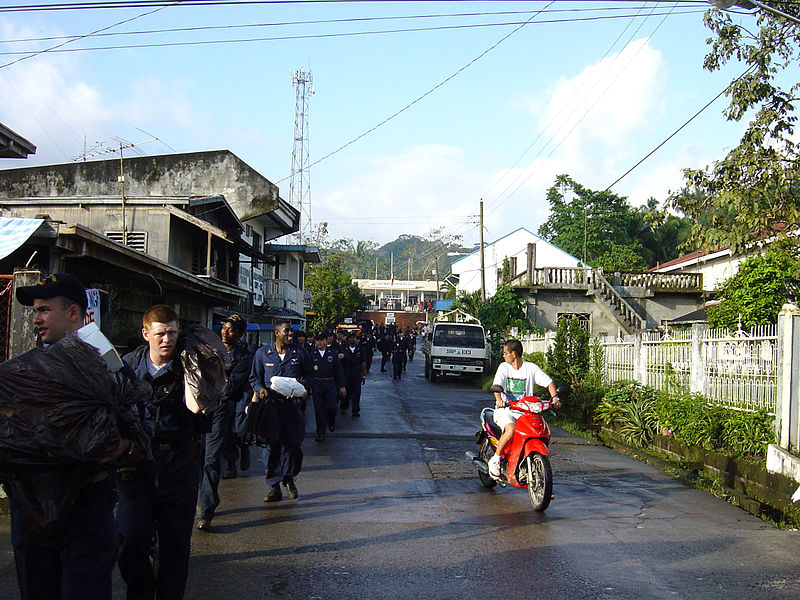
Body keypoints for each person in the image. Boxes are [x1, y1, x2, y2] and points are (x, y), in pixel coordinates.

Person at [10, 273, 133, 600]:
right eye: (35, 310)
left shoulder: (107, 365)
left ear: (74, 313)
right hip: (33, 511)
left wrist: (112, 446)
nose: (36, 318)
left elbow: (134, 429)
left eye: (44, 310)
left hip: (84, 509)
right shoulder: (23, 371)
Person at [118, 304, 205, 600]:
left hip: (178, 462)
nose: (167, 339)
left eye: (172, 332)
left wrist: (202, 389)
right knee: (130, 538)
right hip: (136, 463)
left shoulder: (190, 366)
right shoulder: (127, 367)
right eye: (160, 334)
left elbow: (205, 418)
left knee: (175, 544)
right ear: (146, 334)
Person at [197, 314, 253, 531]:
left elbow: (230, 388)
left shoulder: (243, 356)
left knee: (211, 459)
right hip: (202, 405)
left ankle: (206, 510)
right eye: (224, 328)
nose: (224, 332)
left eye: (230, 330)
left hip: (224, 406)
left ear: (239, 334)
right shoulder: (209, 350)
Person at [249, 320, 307, 502]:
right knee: (270, 446)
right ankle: (273, 486)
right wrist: (260, 389)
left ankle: (289, 478)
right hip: (270, 408)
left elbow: (309, 376)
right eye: (287, 332)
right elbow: (254, 378)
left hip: (291, 406)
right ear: (277, 333)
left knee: (294, 443)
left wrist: (306, 388)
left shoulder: (299, 353)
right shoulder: (262, 354)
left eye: (291, 332)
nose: (290, 335)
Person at [488, 339, 560, 480]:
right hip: (505, 410)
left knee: (540, 430)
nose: (504, 356)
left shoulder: (531, 368)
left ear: (514, 354)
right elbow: (496, 386)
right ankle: (496, 459)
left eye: (505, 353)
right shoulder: (504, 367)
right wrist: (499, 399)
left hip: (525, 412)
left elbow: (549, 382)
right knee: (511, 429)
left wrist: (555, 398)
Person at [305, 332, 346, 441]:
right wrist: (307, 387)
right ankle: (320, 432)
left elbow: (339, 371)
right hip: (317, 384)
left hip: (330, 383)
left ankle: (331, 421)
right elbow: (308, 372)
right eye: (317, 340)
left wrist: (342, 386)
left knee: (332, 407)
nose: (319, 342)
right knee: (319, 409)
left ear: (326, 341)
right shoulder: (311, 355)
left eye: (321, 340)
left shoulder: (332, 354)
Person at [340, 332, 366, 417]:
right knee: (345, 391)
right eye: (350, 337)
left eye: (354, 337)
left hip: (356, 372)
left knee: (356, 392)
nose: (352, 339)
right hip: (346, 372)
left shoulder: (360, 349)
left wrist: (363, 374)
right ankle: (343, 407)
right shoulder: (343, 349)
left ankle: (355, 410)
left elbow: (363, 362)